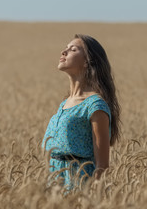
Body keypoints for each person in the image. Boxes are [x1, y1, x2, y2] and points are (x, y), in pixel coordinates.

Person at [42, 34, 121, 190]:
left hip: (78, 185)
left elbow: (102, 165)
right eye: (65, 48)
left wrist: (91, 197)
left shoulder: (95, 105)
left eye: (73, 49)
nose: (64, 52)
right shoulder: (65, 103)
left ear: (87, 62)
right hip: (54, 184)